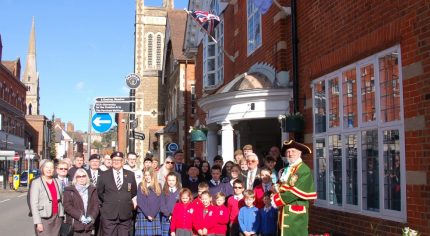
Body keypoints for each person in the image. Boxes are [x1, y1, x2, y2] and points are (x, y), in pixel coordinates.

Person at [272, 140, 317, 236]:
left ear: (299, 153)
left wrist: (277, 200)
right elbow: (284, 186)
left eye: (293, 151)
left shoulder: (304, 170)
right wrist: (276, 188)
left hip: (296, 214)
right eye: (288, 152)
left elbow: (294, 192)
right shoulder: (287, 168)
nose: (290, 154)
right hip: (284, 211)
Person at [97, 151, 137, 236]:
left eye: (119, 160)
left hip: (125, 214)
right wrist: (111, 201)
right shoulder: (104, 175)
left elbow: (133, 192)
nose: (116, 162)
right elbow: (100, 192)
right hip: (109, 215)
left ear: (123, 161)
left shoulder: (130, 174)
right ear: (111, 161)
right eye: (114, 160)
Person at [30, 160, 64, 236]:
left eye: (51, 168)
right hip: (44, 218)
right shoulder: (36, 183)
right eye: (47, 167)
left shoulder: (58, 181)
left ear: (54, 170)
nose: (49, 169)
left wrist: (63, 215)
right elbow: (34, 204)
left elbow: (62, 199)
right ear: (42, 169)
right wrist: (38, 222)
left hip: (57, 217)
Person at [63, 168, 100, 236]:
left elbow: (96, 205)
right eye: (79, 176)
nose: (81, 178)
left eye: (83, 176)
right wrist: (80, 216)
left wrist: (91, 217)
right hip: (75, 224)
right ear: (75, 178)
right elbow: (67, 206)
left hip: (88, 225)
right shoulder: (69, 190)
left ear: (87, 177)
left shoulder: (92, 189)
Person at [135, 167, 162, 236]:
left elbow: (159, 202)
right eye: (146, 175)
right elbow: (140, 201)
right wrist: (147, 214)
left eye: (149, 175)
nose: (147, 177)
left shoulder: (158, 185)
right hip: (143, 214)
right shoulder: (141, 185)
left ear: (153, 175)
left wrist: (152, 214)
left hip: (154, 215)